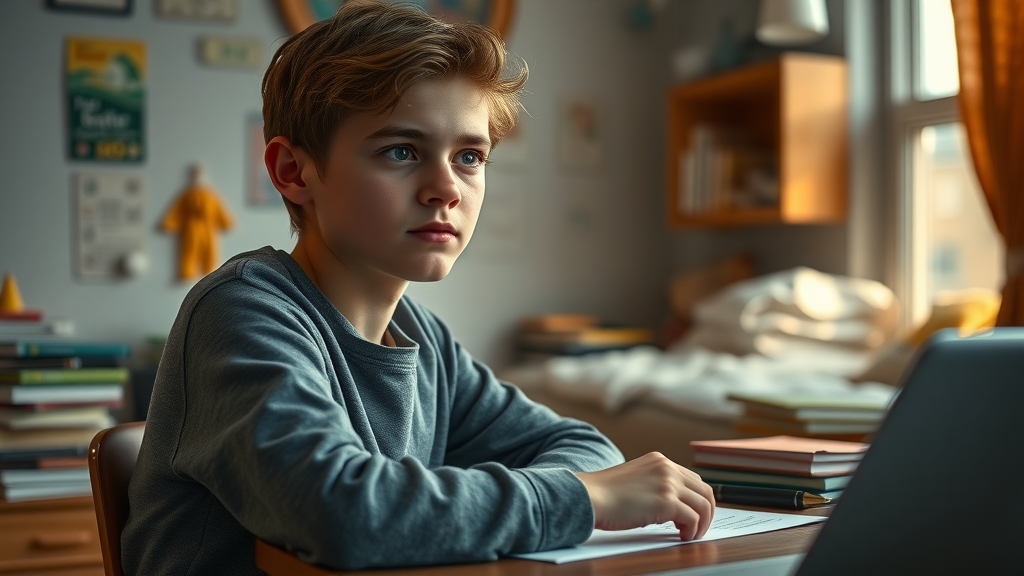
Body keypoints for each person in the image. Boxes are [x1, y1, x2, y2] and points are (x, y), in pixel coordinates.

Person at [121, 2, 715, 574]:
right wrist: (585, 501)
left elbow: (581, 445)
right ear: (293, 171)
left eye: (469, 157)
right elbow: (344, 514)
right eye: (401, 151)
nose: (446, 189)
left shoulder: (423, 339)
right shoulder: (242, 312)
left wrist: (581, 488)